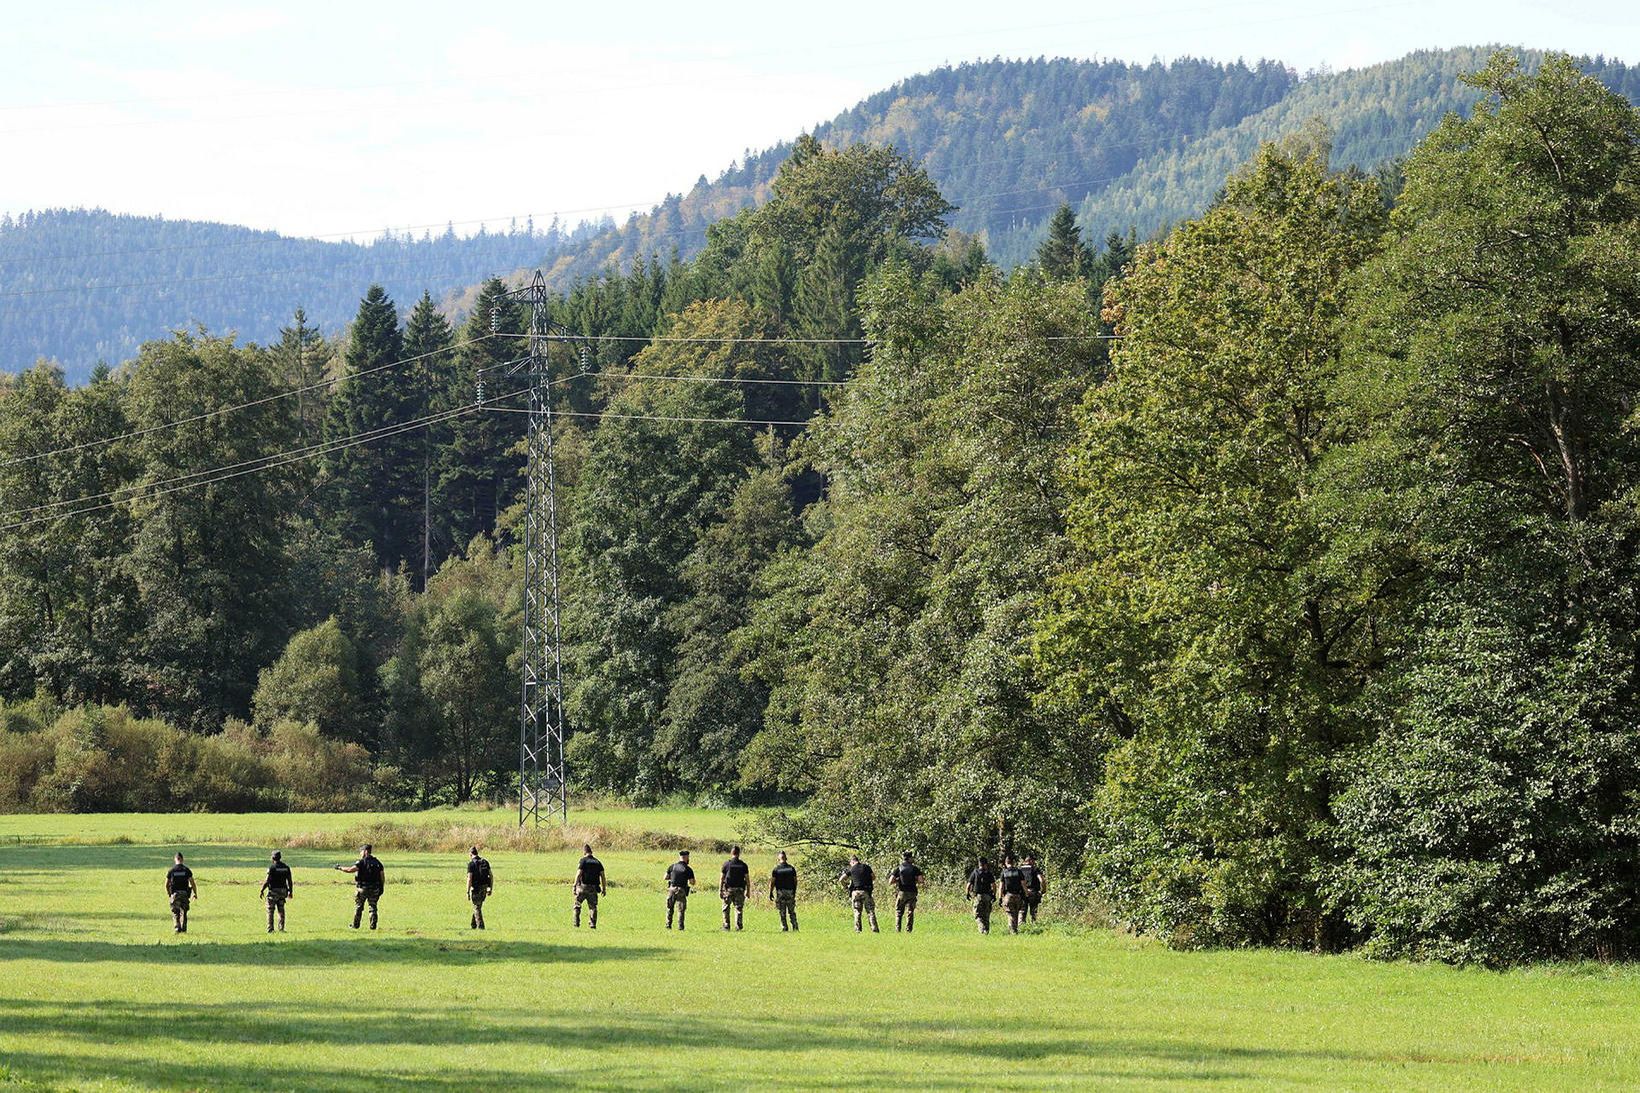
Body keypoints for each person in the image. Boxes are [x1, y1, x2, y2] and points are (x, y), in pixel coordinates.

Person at [336, 843, 385, 930]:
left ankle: (356, 925)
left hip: (362, 889)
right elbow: (382, 876)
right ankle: (373, 925)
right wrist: (381, 887)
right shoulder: (378, 863)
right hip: (374, 889)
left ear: (365, 852)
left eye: (361, 852)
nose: (360, 854)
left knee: (359, 907)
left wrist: (340, 867)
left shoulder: (362, 862)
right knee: (373, 907)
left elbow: (350, 870)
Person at [836, 853, 879, 933]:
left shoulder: (851, 869)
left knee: (857, 911)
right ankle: (874, 929)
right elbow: (874, 877)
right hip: (866, 892)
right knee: (870, 911)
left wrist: (846, 886)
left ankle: (858, 930)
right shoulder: (866, 867)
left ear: (852, 862)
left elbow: (841, 879)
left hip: (855, 892)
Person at [889, 851, 924, 933]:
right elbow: (921, 880)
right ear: (909, 858)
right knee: (910, 911)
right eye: (912, 857)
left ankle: (898, 929)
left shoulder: (898, 868)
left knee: (899, 911)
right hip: (912, 892)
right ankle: (908, 930)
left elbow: (890, 881)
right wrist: (914, 880)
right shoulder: (915, 868)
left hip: (902, 892)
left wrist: (898, 880)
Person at [259, 851, 293, 933]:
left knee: (270, 910)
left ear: (272, 858)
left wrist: (262, 890)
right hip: (283, 892)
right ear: (280, 857)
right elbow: (290, 881)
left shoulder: (272, 868)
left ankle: (270, 929)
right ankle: (281, 928)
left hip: (273, 892)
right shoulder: (286, 867)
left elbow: (267, 881)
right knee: (281, 910)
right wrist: (290, 892)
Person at [720, 845, 751, 931]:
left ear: (731, 853)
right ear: (739, 853)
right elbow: (747, 880)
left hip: (728, 889)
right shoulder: (743, 865)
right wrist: (748, 891)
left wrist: (720, 890)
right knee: (738, 908)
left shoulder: (726, 864)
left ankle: (726, 925)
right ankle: (738, 926)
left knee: (726, 908)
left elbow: (722, 878)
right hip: (740, 890)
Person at [574, 844, 605, 929]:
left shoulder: (583, 861)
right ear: (591, 852)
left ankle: (576, 923)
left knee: (577, 905)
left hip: (582, 887)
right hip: (593, 888)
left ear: (584, 852)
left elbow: (579, 873)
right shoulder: (598, 862)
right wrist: (604, 889)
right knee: (593, 907)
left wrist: (574, 885)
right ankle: (592, 924)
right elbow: (603, 876)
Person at [165, 852, 197, 934]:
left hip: (175, 894)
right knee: (184, 912)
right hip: (185, 894)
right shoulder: (187, 870)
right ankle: (184, 929)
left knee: (176, 912)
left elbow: (166, 884)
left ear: (175, 859)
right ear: (182, 859)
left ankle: (177, 928)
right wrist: (195, 893)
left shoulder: (171, 871)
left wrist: (169, 893)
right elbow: (192, 883)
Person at [665, 849, 695, 930]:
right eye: (688, 857)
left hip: (671, 889)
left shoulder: (672, 866)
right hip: (681, 890)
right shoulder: (688, 869)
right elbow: (692, 882)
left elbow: (665, 877)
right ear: (686, 857)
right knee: (681, 910)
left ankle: (668, 925)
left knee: (669, 908)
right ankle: (680, 927)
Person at [768, 850, 799, 932]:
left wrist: (770, 892)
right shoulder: (791, 869)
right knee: (792, 911)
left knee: (782, 911)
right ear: (786, 858)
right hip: (790, 892)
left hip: (780, 892)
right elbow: (795, 881)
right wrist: (794, 891)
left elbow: (773, 882)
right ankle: (795, 926)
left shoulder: (776, 869)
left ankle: (784, 927)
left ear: (778, 859)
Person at [998, 854, 1029, 934]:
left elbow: (1001, 887)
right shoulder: (1019, 872)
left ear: (1006, 862)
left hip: (1008, 895)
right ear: (1014, 862)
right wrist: (1026, 895)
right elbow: (1023, 884)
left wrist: (1000, 898)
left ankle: (1013, 931)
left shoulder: (1004, 873)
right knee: (1016, 913)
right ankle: (1015, 930)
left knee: (1010, 914)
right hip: (1018, 896)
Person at [967, 856, 996, 934]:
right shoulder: (989, 873)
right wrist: (994, 894)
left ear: (979, 864)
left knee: (978, 915)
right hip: (987, 896)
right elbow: (994, 885)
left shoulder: (975, 872)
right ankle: (986, 931)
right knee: (986, 915)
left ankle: (982, 929)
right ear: (986, 864)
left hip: (978, 896)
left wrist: (967, 893)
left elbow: (969, 884)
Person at [467, 847, 493, 930]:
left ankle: (481, 926)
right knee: (478, 906)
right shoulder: (485, 862)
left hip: (476, 888)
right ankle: (473, 925)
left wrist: (467, 891)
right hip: (484, 887)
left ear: (470, 854)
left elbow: (469, 878)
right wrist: (490, 888)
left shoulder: (471, 864)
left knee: (477, 907)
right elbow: (491, 876)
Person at [1024, 854, 1047, 923]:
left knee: (1022, 912)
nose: (1034, 862)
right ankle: (1033, 924)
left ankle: (1022, 927)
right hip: (1033, 892)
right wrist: (1043, 890)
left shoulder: (1019, 869)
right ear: (1030, 861)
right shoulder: (1035, 869)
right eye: (1034, 861)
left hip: (1023, 893)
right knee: (1033, 911)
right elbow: (1042, 880)